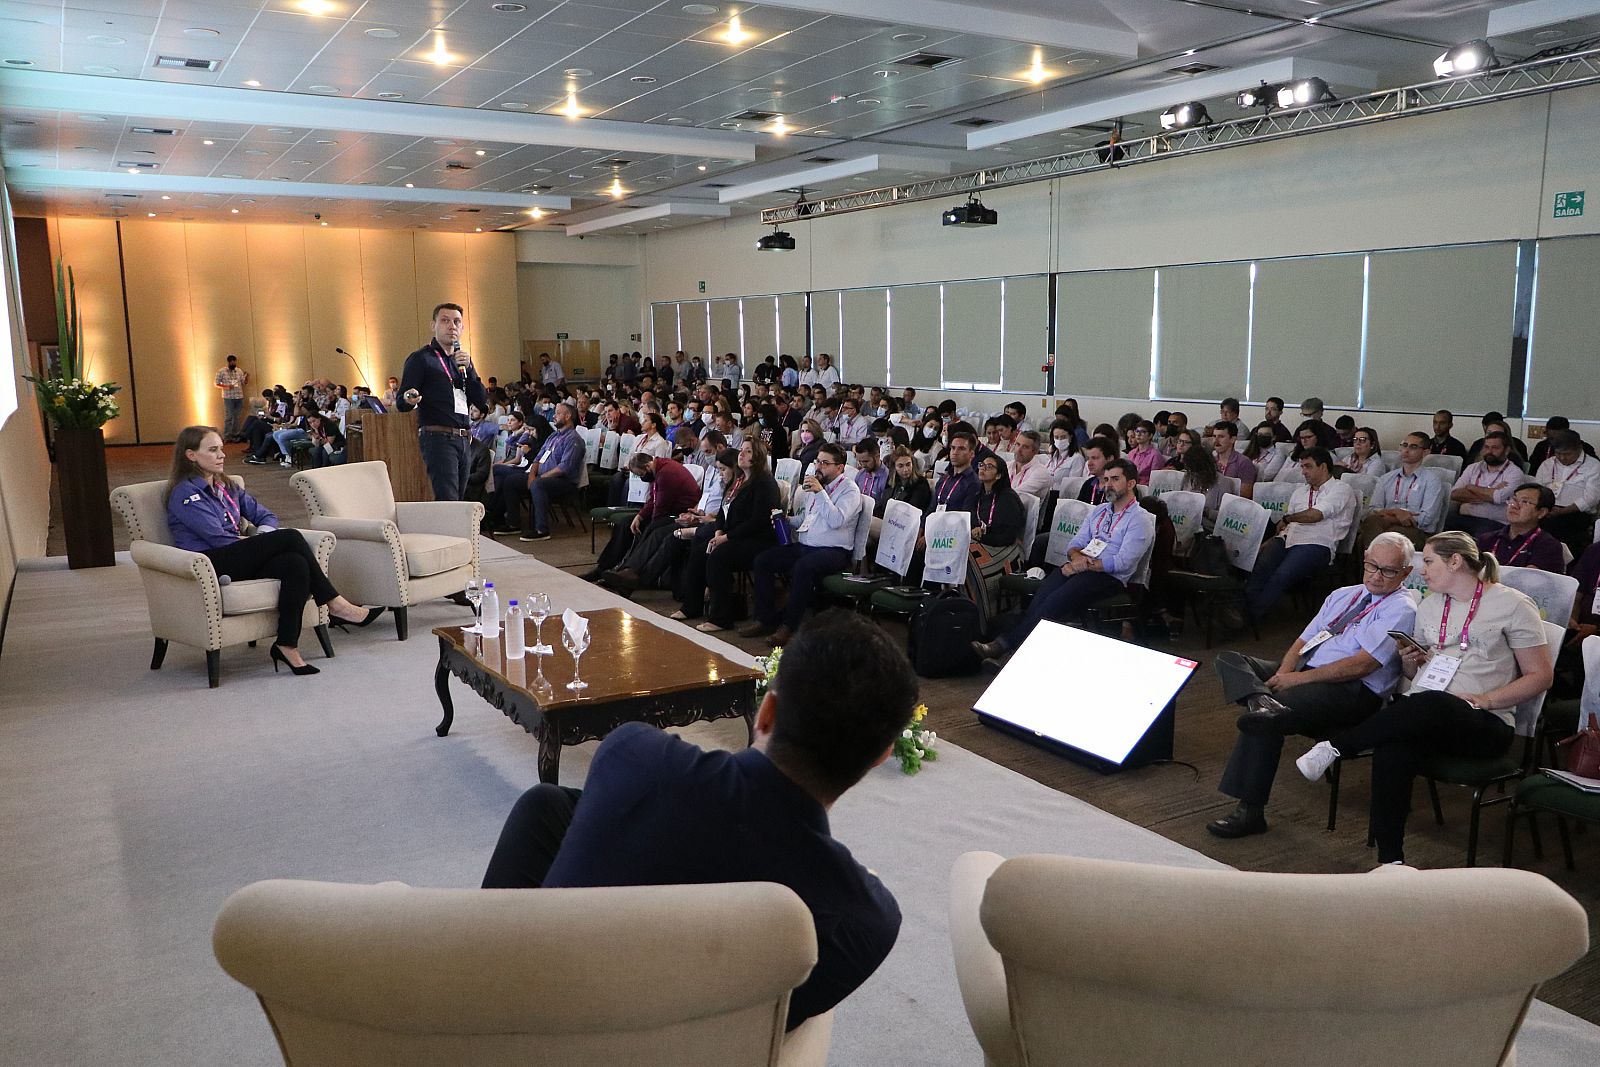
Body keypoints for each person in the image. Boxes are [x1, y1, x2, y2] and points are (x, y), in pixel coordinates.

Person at [483, 610, 914, 1029]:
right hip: (683, 1046)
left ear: (766, 712)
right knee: (550, 806)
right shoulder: (869, 923)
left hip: (529, 1031)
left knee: (548, 805)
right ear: (880, 757)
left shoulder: (634, 754)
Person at [1295, 532, 1553, 866]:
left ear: (1455, 561)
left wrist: (1485, 700)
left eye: (1428, 561)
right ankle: (1391, 862)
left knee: (1432, 704)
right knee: (1394, 746)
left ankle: (1335, 747)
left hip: (1484, 720)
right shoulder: (1429, 605)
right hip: (1427, 714)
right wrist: (1409, 661)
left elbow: (1540, 676)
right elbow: (1414, 675)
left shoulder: (1513, 604)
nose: (1422, 570)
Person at [1205, 533, 1418, 839]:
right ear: (1365, 559)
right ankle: (1261, 701)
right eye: (1372, 566)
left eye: (1388, 570)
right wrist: (1285, 672)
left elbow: (1362, 665)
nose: (1376, 576)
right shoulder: (1344, 594)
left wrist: (1295, 679)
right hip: (1307, 672)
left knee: (1267, 720)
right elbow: (1302, 642)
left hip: (1354, 691)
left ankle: (1249, 811)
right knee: (1231, 660)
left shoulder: (1401, 608)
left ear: (1405, 573)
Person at [164, 426, 382, 675]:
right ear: (191, 455)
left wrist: (262, 538)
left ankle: (286, 645)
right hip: (209, 562)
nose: (222, 455)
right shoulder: (185, 493)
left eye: (221, 449)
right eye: (213, 450)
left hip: (237, 552)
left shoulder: (228, 486)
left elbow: (265, 516)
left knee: (294, 563)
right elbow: (217, 538)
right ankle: (336, 605)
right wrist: (262, 545)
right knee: (290, 537)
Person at [971, 458, 1149, 667]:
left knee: (1053, 604)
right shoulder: (1100, 511)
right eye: (1106, 479)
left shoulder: (1139, 519)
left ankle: (1004, 648)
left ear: (1131, 483)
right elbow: (1075, 544)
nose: (1108, 485)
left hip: (1109, 577)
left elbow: (1124, 562)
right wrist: (1076, 558)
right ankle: (1012, 653)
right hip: (1080, 567)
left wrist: (1085, 565)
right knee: (1039, 602)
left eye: (1115, 479)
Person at [741, 444, 862, 646]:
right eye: (817, 462)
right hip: (807, 545)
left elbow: (835, 520)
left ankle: (789, 626)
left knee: (802, 567)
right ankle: (765, 619)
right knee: (764, 560)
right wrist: (787, 520)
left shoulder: (849, 490)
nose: (819, 467)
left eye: (825, 463)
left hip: (835, 550)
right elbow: (807, 518)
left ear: (840, 467)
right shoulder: (816, 487)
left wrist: (820, 492)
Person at [674, 441, 782, 632]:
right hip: (734, 536)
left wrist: (726, 537)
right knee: (699, 552)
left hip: (757, 540)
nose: (741, 454)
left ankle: (721, 618)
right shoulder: (738, 481)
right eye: (742, 450)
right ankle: (691, 606)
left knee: (718, 557)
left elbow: (758, 520)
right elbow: (723, 512)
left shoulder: (765, 484)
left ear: (757, 457)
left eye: (748, 451)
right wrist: (718, 532)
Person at [1244, 447, 1357, 620]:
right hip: (1289, 538)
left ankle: (1251, 616)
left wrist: (1288, 519)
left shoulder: (1341, 489)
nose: (1303, 472)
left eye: (1308, 466)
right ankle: (1241, 611)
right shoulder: (1300, 492)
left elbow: (1316, 515)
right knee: (1260, 567)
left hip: (1318, 543)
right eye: (1302, 467)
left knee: (1282, 574)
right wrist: (1270, 541)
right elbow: (1285, 527)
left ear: (1323, 467)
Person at [397, 302, 488, 501]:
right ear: (433, 325)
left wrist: (470, 370)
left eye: (457, 322)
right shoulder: (421, 359)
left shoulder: (462, 361)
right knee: (448, 499)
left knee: (460, 499)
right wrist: (410, 397)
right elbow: (402, 401)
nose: (452, 326)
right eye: (445, 321)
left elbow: (481, 401)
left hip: (465, 439)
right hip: (438, 437)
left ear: (462, 328)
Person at [1357, 432, 1445, 550]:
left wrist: (1392, 518)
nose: (1406, 450)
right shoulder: (1386, 478)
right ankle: (1375, 556)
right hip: (1383, 525)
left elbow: (1427, 519)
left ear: (1425, 452)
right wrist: (1396, 512)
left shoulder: (1431, 480)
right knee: (1371, 523)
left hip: (1416, 531)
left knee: (1381, 535)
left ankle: (1372, 557)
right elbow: (1373, 509)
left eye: (1413, 447)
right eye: (1404, 445)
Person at [520, 401, 586, 542]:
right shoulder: (553, 436)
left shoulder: (573, 439)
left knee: (538, 484)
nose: (554, 416)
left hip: (564, 482)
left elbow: (564, 468)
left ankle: (541, 530)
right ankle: (512, 523)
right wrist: (532, 475)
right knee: (510, 479)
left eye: (558, 413)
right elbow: (538, 459)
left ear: (567, 416)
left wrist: (541, 477)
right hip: (542, 476)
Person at [1533, 429, 1600, 555]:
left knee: (1552, 527)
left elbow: (1591, 498)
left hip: (1575, 512)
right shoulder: (1547, 464)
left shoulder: (1593, 466)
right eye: (1558, 453)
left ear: (1579, 449)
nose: (1562, 458)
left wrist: (1563, 511)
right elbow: (1536, 489)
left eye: (1567, 454)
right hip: (1547, 509)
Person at [1476, 483, 1564, 573]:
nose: (1514, 505)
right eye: (1514, 499)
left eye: (1525, 501)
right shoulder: (1486, 539)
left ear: (1541, 512)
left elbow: (1532, 579)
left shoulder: (1548, 546)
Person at [1448, 430, 1521, 537]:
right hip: (1466, 517)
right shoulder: (1473, 468)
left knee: (1479, 536)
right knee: (1446, 527)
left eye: (1495, 448)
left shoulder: (1514, 472)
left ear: (1506, 450)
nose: (1489, 451)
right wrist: (1491, 492)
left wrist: (1471, 487)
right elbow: (1454, 494)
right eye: (1486, 447)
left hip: (1495, 522)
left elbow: (1499, 498)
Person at [929, 430, 980, 515]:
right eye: (953, 448)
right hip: (934, 520)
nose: (955, 452)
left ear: (971, 454)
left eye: (961, 448)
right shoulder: (944, 479)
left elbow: (966, 516)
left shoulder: (973, 483)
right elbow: (931, 508)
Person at [1209, 420, 1258, 498]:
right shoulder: (1210, 461)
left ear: (1233, 439)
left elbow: (1246, 495)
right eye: (1214, 436)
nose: (1216, 440)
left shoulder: (1244, 463)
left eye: (1221, 436)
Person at [1007, 430, 1053, 499]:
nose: (1018, 450)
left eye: (1025, 447)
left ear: (1035, 451)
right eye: (1018, 444)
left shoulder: (1041, 473)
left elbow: (1016, 495)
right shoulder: (1006, 466)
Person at [214, 354, 248, 442]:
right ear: (228, 362)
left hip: (239, 396)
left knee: (237, 417)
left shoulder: (239, 371)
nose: (234, 364)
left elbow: (243, 383)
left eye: (235, 363)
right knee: (229, 416)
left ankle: (236, 435)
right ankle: (227, 436)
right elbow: (216, 384)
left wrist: (246, 378)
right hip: (228, 397)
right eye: (232, 363)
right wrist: (226, 387)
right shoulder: (221, 371)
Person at [1076, 437, 1117, 506]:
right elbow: (1079, 509)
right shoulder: (1088, 484)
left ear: (1110, 458)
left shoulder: (1120, 486)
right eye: (1088, 458)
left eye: (1094, 458)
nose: (1089, 463)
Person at [852, 440, 888, 514]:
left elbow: (883, 508)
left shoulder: (887, 478)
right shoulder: (860, 474)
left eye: (866, 461)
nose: (862, 465)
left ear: (877, 457)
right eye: (859, 461)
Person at [1126, 420, 1161, 485]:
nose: (1138, 434)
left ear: (1150, 436)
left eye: (1143, 432)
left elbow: (1155, 480)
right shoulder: (1131, 453)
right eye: (1137, 431)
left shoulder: (1155, 455)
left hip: (1146, 487)